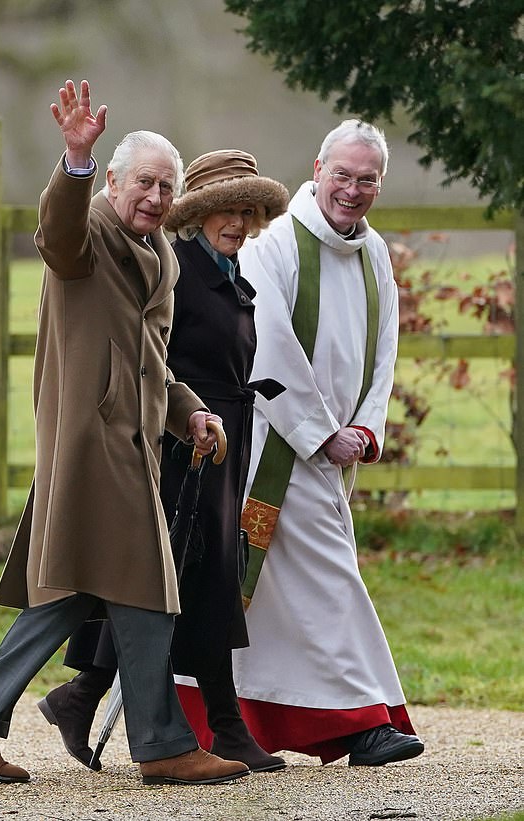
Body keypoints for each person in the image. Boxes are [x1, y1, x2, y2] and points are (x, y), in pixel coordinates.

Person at [0, 79, 251, 787]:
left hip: (133, 446)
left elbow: (153, 364)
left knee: (77, 592)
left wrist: (190, 410)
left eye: (167, 186)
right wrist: (72, 160)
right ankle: (164, 743)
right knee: (146, 587)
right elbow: (56, 233)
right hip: (91, 444)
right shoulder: (91, 230)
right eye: (144, 182)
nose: (156, 197)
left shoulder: (162, 253)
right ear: (111, 180)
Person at [178, 119, 426, 767]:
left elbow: (385, 347)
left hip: (337, 449)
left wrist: (367, 427)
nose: (352, 189)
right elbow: (268, 346)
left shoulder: (374, 253)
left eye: (367, 179)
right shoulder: (277, 243)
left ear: (379, 185)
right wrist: (321, 433)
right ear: (317, 169)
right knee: (328, 577)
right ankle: (365, 720)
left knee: (273, 599)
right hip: (275, 446)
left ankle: (224, 719)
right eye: (342, 174)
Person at [37, 149, 291, 774]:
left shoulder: (218, 269)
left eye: (250, 211)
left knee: (179, 582)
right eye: (228, 209)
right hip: (173, 447)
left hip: (217, 435)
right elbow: (148, 355)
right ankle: (209, 728)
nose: (240, 221)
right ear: (198, 214)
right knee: (171, 582)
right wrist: (183, 418)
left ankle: (82, 696)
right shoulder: (170, 265)